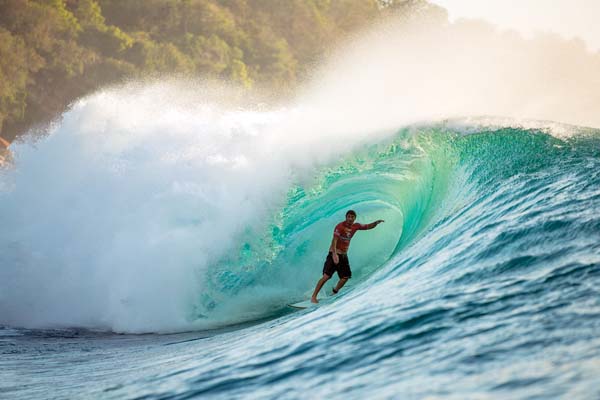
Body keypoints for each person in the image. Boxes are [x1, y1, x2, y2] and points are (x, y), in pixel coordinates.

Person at [311, 210, 384, 303]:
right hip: (334, 253)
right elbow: (334, 240)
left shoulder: (355, 226)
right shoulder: (340, 227)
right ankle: (314, 297)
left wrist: (376, 223)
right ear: (346, 217)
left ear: (354, 218)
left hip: (344, 255)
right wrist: (334, 254)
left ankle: (334, 292)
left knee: (345, 277)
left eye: (352, 217)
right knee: (326, 276)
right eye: (349, 216)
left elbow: (368, 226)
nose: (350, 218)